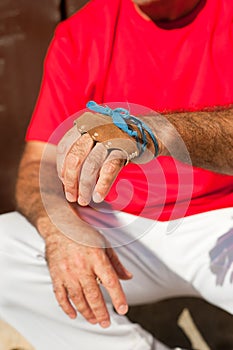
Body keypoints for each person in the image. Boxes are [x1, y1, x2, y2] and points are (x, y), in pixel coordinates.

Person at [0, 0, 233, 349]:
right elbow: (39, 163)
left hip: (222, 221)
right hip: (121, 226)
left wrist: (158, 131)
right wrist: (62, 230)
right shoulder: (81, 33)